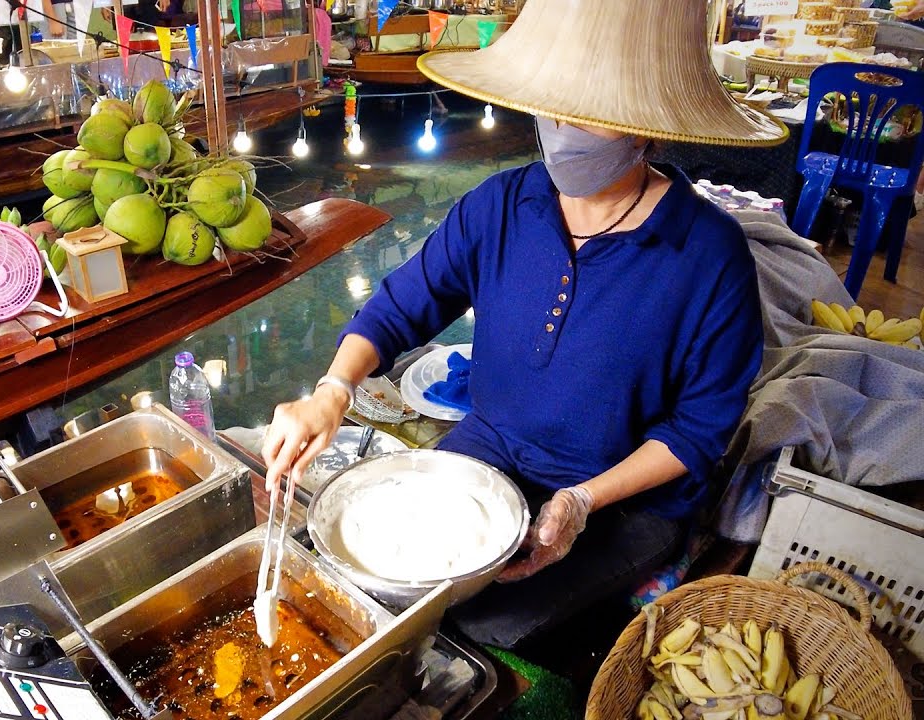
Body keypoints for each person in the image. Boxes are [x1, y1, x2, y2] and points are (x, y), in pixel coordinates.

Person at [261, 0, 785, 649]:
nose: (561, 129)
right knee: (366, 578)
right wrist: (332, 392)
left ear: (645, 124)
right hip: (491, 450)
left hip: (624, 502)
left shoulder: (708, 256)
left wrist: (582, 502)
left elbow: (699, 432)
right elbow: (401, 306)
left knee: (479, 622)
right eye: (551, 105)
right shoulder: (502, 205)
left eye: (587, 113)